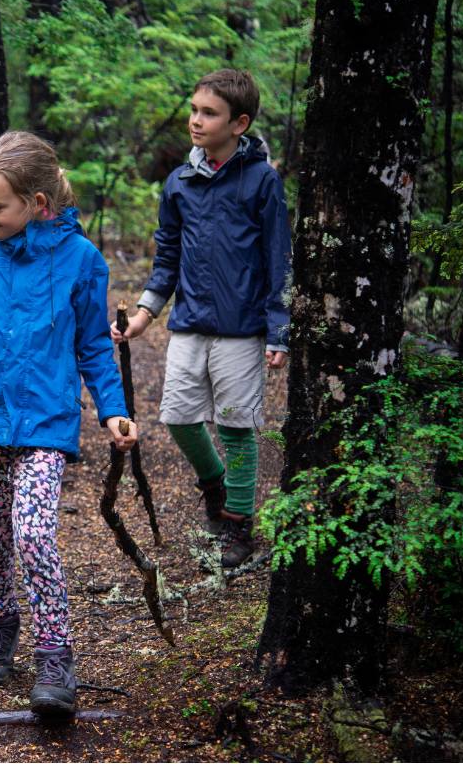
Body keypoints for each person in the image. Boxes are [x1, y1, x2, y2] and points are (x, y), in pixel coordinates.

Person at [0, 131, 137, 716]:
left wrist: (113, 408)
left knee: (33, 532)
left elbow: (94, 344)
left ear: (38, 203)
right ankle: (0, 622)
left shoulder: (81, 262)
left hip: (45, 421)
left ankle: (55, 654)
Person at [111, 68, 291, 569]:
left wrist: (279, 327)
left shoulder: (261, 181)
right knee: (179, 418)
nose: (195, 120)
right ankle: (215, 485)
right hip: (190, 322)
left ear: (239, 123)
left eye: (208, 113)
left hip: (242, 328)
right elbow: (167, 256)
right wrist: (145, 314)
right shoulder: (181, 182)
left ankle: (237, 525)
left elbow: (279, 258)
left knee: (235, 426)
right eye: (194, 109)